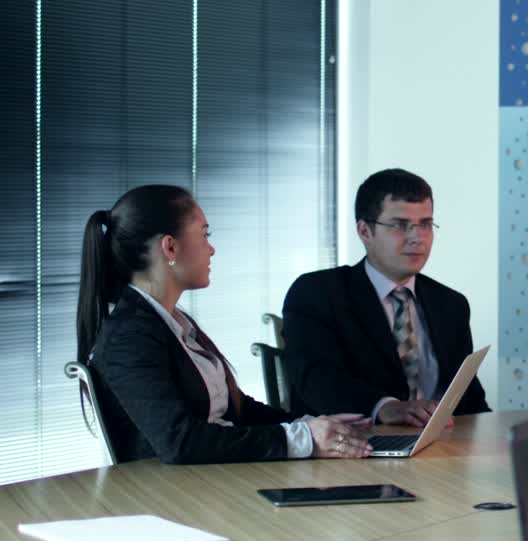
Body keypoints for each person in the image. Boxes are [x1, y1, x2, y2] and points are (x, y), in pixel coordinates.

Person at [77, 185, 371, 464]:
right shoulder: (128, 337)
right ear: (170, 247)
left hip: (214, 476)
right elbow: (180, 441)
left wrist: (311, 426)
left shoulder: (173, 323)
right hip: (176, 490)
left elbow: (237, 410)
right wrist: (302, 439)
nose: (212, 249)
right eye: (204, 235)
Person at [283, 169, 489, 424]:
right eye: (400, 225)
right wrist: (384, 407)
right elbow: (316, 379)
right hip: (354, 441)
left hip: (441, 442)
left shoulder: (451, 304)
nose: (417, 238)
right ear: (364, 231)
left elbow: (469, 399)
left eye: (425, 224)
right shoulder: (317, 293)